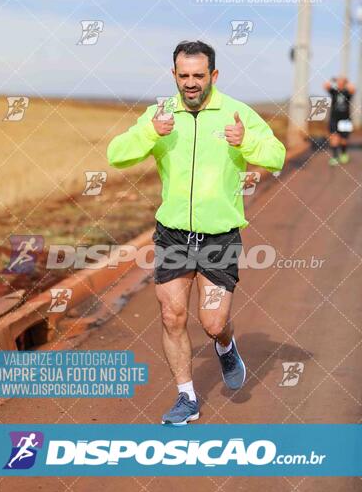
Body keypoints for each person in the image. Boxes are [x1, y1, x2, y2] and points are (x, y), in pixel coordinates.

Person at [107, 40, 286, 425]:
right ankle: (186, 398)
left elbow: (278, 155)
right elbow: (117, 154)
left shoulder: (236, 113)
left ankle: (225, 346)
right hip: (172, 234)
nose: (190, 83)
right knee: (172, 315)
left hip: (219, 237)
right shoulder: (160, 114)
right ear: (174, 75)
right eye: (183, 75)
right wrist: (150, 134)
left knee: (212, 323)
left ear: (213, 76)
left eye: (198, 76)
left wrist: (248, 141)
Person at [323, 76, 355, 166]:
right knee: (334, 137)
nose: (340, 83)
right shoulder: (334, 91)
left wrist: (346, 81)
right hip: (334, 118)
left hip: (345, 119)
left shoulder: (347, 92)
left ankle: (344, 154)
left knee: (344, 139)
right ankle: (335, 157)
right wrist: (333, 79)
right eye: (339, 82)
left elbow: (353, 89)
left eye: (341, 82)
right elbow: (326, 85)